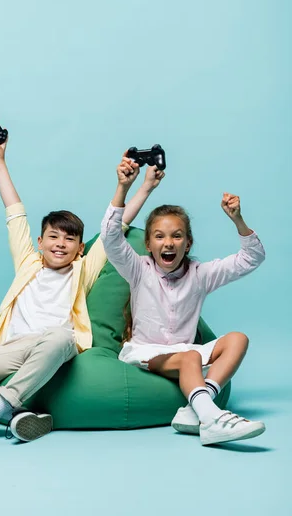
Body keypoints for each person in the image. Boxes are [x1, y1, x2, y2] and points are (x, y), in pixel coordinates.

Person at [0, 138, 153, 447]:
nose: (60, 243)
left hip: (53, 346)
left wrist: (137, 188)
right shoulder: (27, 262)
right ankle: (17, 416)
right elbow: (14, 212)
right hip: (12, 349)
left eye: (70, 239)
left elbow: (116, 227)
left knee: (63, 335)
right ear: (39, 241)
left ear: (79, 248)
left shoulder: (83, 269)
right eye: (53, 236)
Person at [100, 152, 266, 446]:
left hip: (186, 352)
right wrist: (123, 188)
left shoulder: (201, 274)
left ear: (188, 243)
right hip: (146, 354)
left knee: (238, 338)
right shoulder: (138, 269)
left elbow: (252, 257)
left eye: (177, 236)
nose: (168, 243)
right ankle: (213, 419)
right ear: (148, 244)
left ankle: (198, 407)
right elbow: (110, 238)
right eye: (160, 237)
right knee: (190, 356)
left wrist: (238, 219)